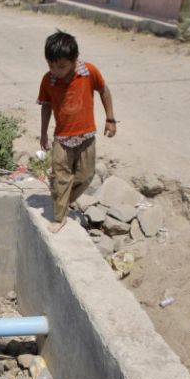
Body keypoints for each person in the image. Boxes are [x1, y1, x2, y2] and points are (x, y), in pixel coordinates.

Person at [37, 30, 117, 233]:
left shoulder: (89, 72)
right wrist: (44, 133)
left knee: (85, 176)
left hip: (86, 137)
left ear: (74, 60)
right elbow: (46, 105)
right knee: (61, 176)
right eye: (51, 65)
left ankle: (62, 198)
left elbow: (104, 90)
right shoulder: (48, 80)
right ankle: (60, 215)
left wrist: (110, 119)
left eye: (62, 66)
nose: (56, 70)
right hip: (62, 139)